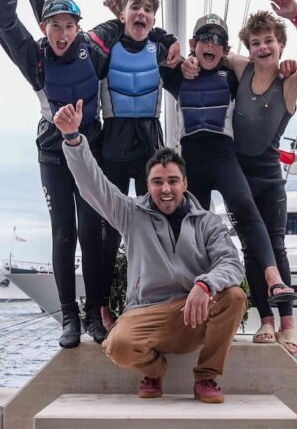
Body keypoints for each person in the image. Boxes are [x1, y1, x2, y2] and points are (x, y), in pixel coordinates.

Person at [55, 100, 247, 403]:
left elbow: (231, 264)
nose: (166, 189)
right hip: (146, 313)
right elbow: (94, 186)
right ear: (148, 185)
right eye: (158, 182)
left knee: (234, 297)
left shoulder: (208, 222)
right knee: (117, 346)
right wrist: (73, 139)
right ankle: (154, 370)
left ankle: (207, 377)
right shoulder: (130, 214)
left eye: (172, 181)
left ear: (185, 183)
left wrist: (205, 283)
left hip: (193, 312)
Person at [29, 0, 181, 333]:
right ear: (122, 14)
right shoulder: (104, 49)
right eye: (134, 8)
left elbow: (186, 81)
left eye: (148, 10)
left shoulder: (159, 51)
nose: (141, 14)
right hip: (109, 144)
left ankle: (161, 303)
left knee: (156, 226)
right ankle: (98, 310)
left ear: (154, 18)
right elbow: (62, 39)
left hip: (148, 145)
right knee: (103, 235)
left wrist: (175, 46)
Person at [0, 0, 110, 349]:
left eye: (69, 26)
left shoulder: (93, 51)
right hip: (53, 150)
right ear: (44, 29)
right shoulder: (33, 57)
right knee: (64, 233)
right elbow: (0, 19)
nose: (62, 33)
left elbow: (138, 39)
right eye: (54, 26)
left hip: (90, 148)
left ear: (80, 28)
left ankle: (96, 314)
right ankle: (70, 318)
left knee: (91, 229)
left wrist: (172, 55)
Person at [165, 14, 297, 332]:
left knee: (246, 210)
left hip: (224, 156)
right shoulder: (178, 75)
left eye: (217, 40)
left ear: (224, 49)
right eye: (203, 39)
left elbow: (262, 72)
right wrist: (178, 54)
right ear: (194, 44)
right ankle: (189, 298)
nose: (210, 44)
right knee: (189, 228)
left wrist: (286, 66)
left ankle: (273, 278)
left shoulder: (231, 76)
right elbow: (153, 52)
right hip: (192, 160)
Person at [218, 0, 297, 355]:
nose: (263, 47)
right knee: (250, 248)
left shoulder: (290, 85)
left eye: (269, 41)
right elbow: (214, 53)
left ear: (280, 46)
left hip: (269, 177)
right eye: (256, 42)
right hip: (238, 175)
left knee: (276, 245)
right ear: (249, 48)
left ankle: (288, 324)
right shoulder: (241, 68)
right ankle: (265, 320)